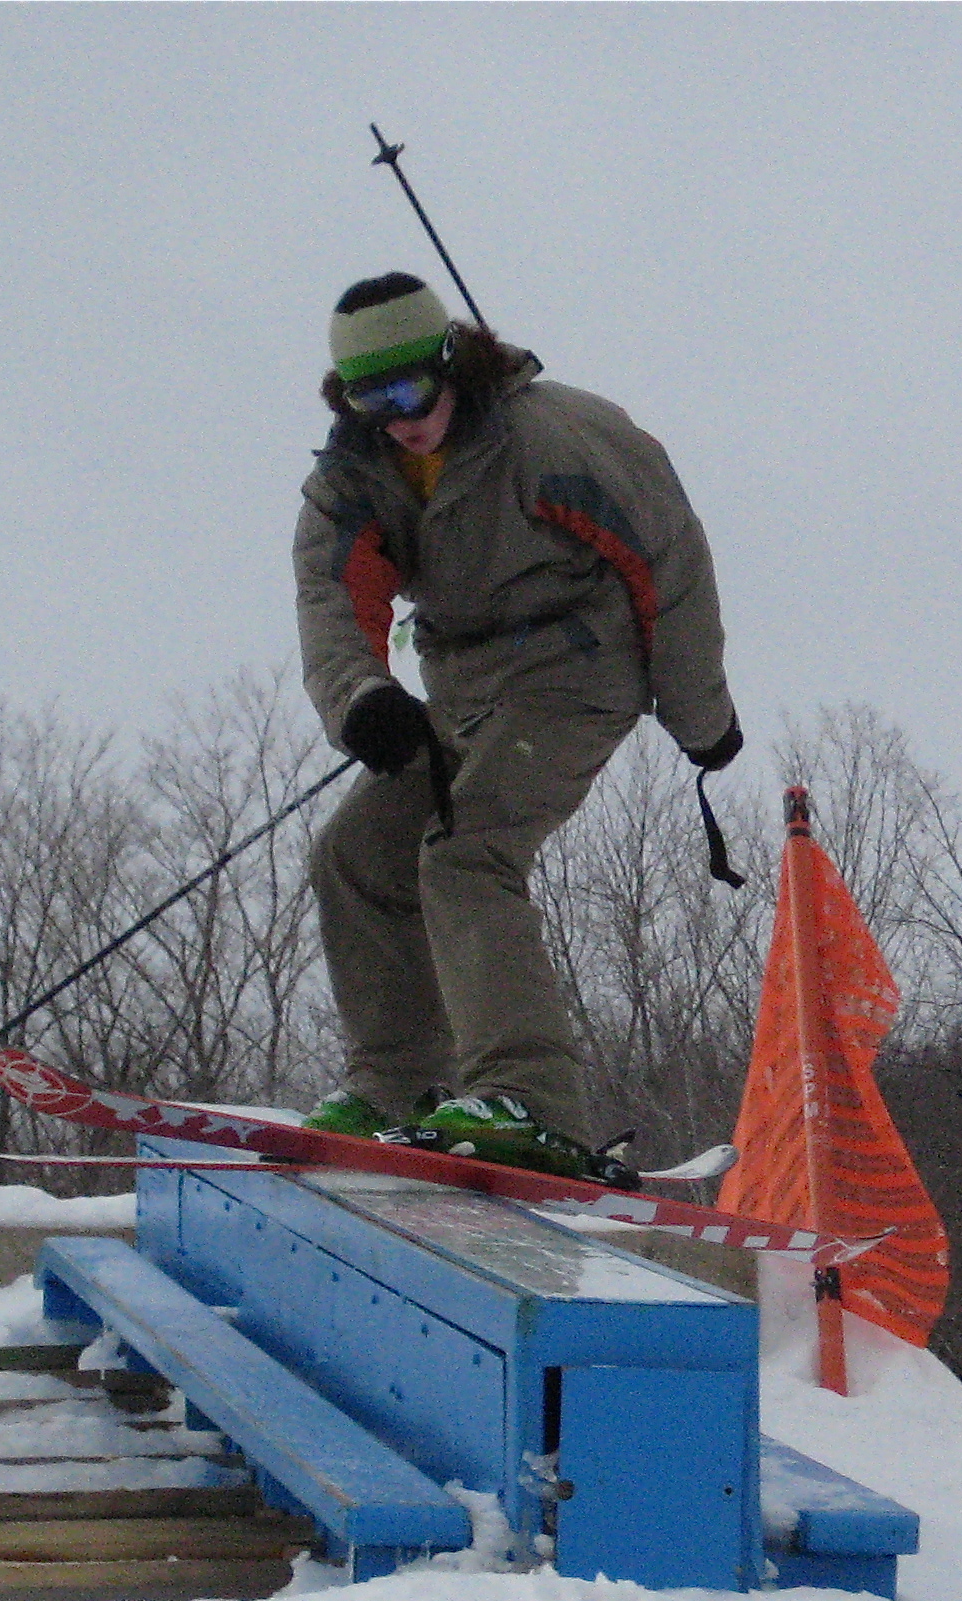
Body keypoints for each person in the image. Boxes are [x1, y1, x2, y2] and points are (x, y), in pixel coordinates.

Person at [291, 273, 741, 1184]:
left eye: (412, 391)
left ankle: (530, 1098)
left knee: (467, 852)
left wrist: (702, 716)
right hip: (461, 689)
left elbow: (673, 562)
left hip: (578, 672)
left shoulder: (560, 438)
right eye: (372, 400)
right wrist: (363, 701)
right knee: (356, 854)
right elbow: (332, 603)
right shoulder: (351, 482)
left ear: (453, 363)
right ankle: (398, 1084)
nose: (399, 419)